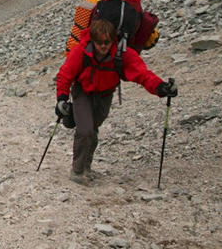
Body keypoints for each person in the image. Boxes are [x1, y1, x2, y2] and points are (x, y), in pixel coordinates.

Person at [54, 18, 178, 185]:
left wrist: (161, 87)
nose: (103, 46)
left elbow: (142, 74)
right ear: (92, 40)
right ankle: (77, 171)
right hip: (82, 93)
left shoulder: (122, 54)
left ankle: (86, 166)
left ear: (113, 40)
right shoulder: (81, 51)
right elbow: (65, 75)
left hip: (105, 96)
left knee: (93, 130)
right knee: (85, 130)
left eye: (107, 42)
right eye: (99, 42)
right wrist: (62, 98)